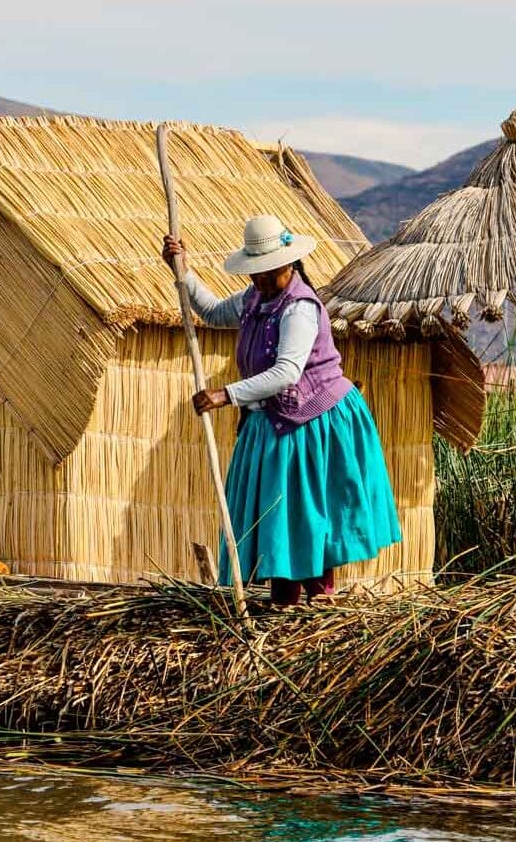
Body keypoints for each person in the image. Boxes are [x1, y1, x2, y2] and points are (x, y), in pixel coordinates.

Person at [162, 214, 401, 605]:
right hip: (274, 421)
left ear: (288, 264)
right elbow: (213, 313)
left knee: (307, 510)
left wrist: (226, 395)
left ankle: (320, 598)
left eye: (268, 272)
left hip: (314, 420)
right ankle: (284, 603)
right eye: (255, 273)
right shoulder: (255, 298)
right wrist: (183, 272)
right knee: (279, 515)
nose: (260, 280)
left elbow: (287, 372)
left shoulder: (299, 308)